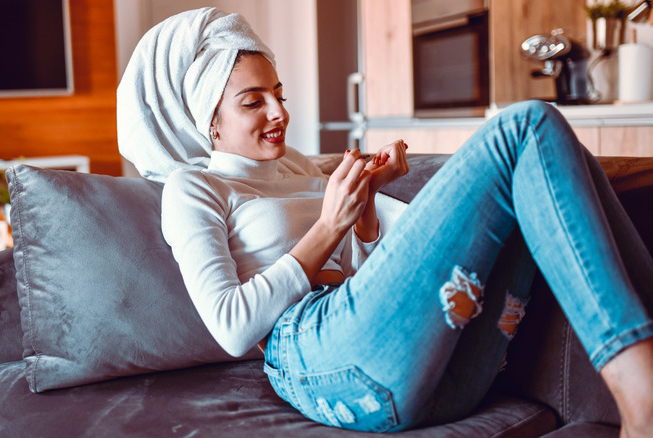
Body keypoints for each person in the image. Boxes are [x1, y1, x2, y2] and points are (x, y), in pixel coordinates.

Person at [118, 8, 653, 436]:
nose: (278, 113)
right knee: (526, 125)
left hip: (427, 374)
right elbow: (232, 328)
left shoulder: (299, 167)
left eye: (278, 95)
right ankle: (642, 396)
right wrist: (329, 225)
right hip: (319, 356)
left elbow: (363, 277)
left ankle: (635, 391)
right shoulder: (195, 188)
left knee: (550, 149)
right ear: (210, 122)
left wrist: (366, 203)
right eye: (252, 102)